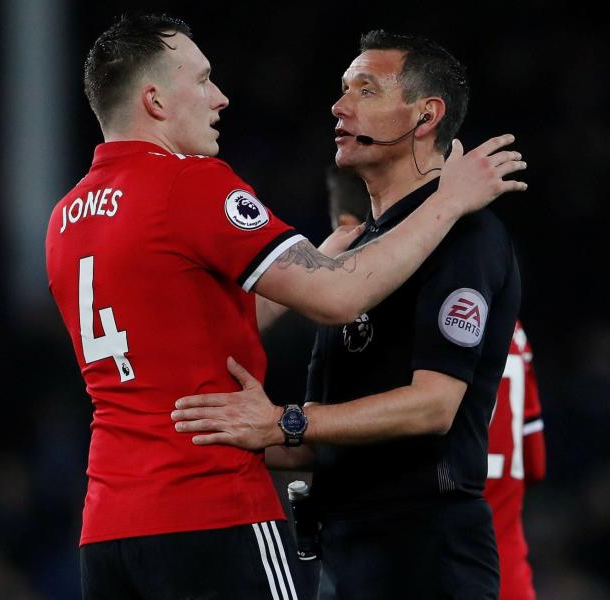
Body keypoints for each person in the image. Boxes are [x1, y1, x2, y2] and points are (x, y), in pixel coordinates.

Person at [45, 13, 527, 599]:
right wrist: (447, 201)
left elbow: (200, 325)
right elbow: (337, 294)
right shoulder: (189, 185)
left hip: (110, 524)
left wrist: (283, 419)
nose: (219, 98)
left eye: (364, 90)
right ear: (154, 100)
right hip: (213, 510)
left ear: (426, 116)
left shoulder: (66, 218)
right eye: (201, 81)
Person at [320, 170, 548, 600]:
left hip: (422, 564)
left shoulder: (380, 337)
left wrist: (284, 424)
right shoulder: (511, 335)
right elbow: (532, 465)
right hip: (504, 575)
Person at [485, 321, 546, 600]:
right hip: (508, 579)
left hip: (430, 570)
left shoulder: (414, 316)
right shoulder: (515, 330)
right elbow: (535, 465)